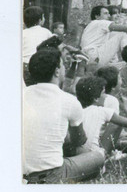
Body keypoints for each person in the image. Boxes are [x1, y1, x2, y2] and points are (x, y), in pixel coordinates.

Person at [22, 49, 106, 182]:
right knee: (99, 155)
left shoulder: (21, 94)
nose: (63, 69)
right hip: (51, 175)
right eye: (62, 65)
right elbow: (79, 141)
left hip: (19, 172)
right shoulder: (69, 101)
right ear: (56, 71)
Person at [75, 75, 127, 154]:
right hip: (95, 157)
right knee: (117, 124)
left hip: (76, 156)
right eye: (103, 93)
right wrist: (125, 107)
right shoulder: (102, 111)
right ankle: (108, 153)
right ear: (96, 98)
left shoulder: (76, 110)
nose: (106, 96)